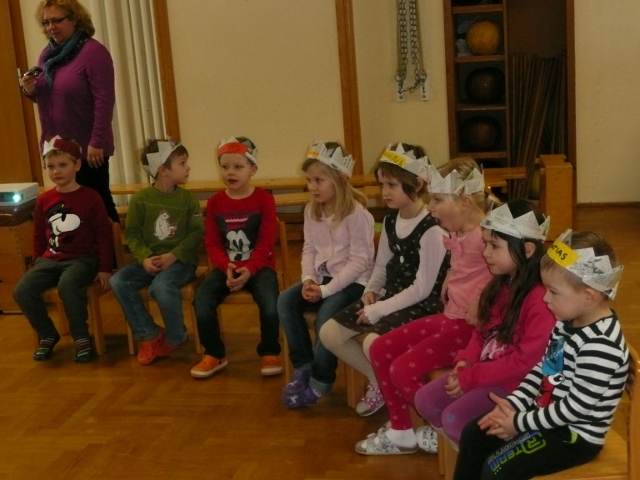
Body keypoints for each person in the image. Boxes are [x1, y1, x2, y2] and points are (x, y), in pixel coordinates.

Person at [453, 229, 629, 480]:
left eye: (553, 292)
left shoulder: (601, 347)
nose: (545, 298)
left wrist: (519, 423)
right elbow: (544, 370)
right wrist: (514, 404)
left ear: (588, 296)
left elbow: (574, 410)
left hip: (573, 436)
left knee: (497, 469)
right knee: (475, 434)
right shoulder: (565, 322)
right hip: (545, 417)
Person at [353, 157, 495, 454]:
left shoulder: (488, 237)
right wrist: (451, 277)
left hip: (468, 329)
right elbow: (464, 268)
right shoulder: (459, 229)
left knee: (402, 371)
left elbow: (513, 274)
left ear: (465, 202)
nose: (431, 207)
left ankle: (442, 427)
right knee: (380, 348)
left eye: (438, 200)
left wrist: (484, 297)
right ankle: (401, 431)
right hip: (449, 317)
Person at [412, 200, 555, 454]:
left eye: (494, 246)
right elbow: (481, 333)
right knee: (425, 399)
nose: (485, 253)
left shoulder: (540, 299)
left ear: (528, 249)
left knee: (454, 420)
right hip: (484, 370)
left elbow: (524, 363)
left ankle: (489, 457)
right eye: (486, 243)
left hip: (516, 385)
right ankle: (468, 453)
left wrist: (472, 376)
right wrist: (464, 362)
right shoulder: (501, 283)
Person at [319, 142, 450, 415]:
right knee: (330, 333)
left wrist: (378, 309)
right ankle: (379, 381)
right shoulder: (391, 220)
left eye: (391, 184)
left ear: (416, 183)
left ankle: (392, 392)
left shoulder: (432, 227)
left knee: (372, 343)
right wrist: (372, 290)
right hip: (390, 298)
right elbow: (381, 265)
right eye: (382, 184)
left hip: (422, 304)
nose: (384, 192)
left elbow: (423, 288)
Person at [279, 141, 375, 408]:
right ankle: (304, 367)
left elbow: (359, 262)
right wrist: (308, 278)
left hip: (354, 283)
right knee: (285, 301)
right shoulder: (312, 210)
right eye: (309, 180)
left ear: (341, 178)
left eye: (319, 180)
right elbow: (309, 248)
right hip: (322, 281)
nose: (311, 186)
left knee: (325, 317)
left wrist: (326, 291)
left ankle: (321, 381)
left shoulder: (358, 215)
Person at [13, 135, 113, 363]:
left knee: (68, 286)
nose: (56, 171)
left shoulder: (91, 197)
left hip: (82, 260)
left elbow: (104, 235)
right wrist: (39, 260)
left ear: (77, 165)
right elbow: (39, 234)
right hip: (50, 261)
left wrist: (105, 267)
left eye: (63, 165)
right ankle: (48, 334)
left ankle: (80, 337)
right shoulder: (44, 200)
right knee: (22, 290)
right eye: (50, 167)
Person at [192, 137, 282, 378]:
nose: (230, 172)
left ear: (253, 169)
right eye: (225, 167)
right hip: (226, 268)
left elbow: (265, 243)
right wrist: (227, 267)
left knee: (271, 305)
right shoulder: (215, 203)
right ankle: (214, 353)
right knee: (201, 301)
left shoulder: (264, 199)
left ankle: (270, 350)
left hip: (260, 267)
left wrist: (250, 270)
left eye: (238, 167)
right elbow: (211, 243)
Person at [21, 0, 118, 223]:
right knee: (73, 209)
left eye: (57, 20)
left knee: (98, 205)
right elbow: (47, 95)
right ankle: (80, 255)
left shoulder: (93, 52)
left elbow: (104, 100)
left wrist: (97, 141)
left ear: (74, 19)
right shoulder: (48, 54)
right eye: (46, 23)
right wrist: (30, 90)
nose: (50, 27)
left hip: (89, 148)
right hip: (57, 146)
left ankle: (110, 256)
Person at [110, 138, 204, 366]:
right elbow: (132, 234)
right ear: (163, 170)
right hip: (151, 261)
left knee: (160, 287)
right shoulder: (141, 200)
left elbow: (196, 233)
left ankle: (176, 336)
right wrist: (144, 259)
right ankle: (149, 334)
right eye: (182, 163)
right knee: (119, 281)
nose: (188, 167)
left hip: (180, 261)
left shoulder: (188, 199)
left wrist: (173, 255)